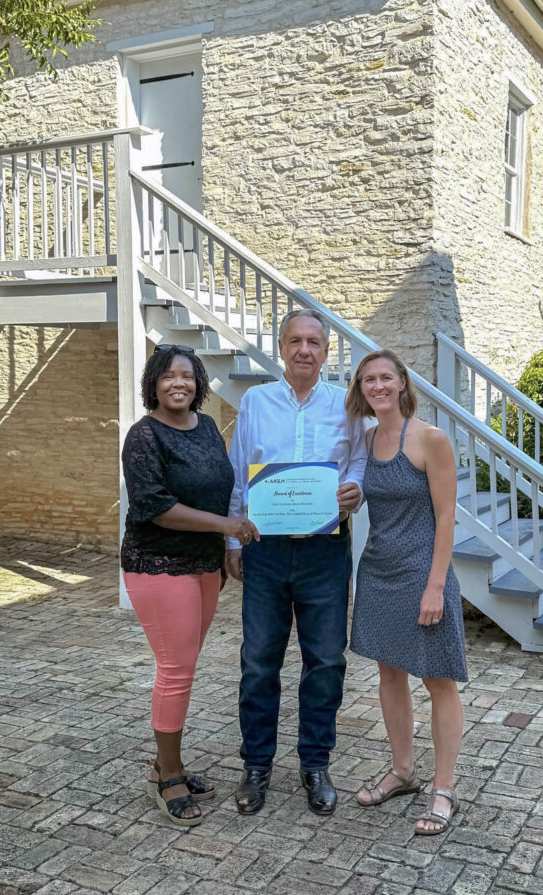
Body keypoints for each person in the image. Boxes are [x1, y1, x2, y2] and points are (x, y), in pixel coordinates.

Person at [226, 308, 367, 816]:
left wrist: (356, 489)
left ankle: (315, 764)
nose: (304, 349)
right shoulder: (256, 401)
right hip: (265, 549)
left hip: (324, 550)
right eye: (295, 341)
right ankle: (256, 765)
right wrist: (233, 541)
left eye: (314, 342)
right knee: (258, 661)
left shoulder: (346, 404)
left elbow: (359, 460)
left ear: (326, 352)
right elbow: (239, 471)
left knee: (326, 660)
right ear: (281, 347)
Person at [121, 344, 259, 827]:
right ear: (154, 384)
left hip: (204, 566)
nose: (178, 383)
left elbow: (222, 489)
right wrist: (226, 527)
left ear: (199, 382)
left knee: (184, 665)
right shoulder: (143, 436)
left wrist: (223, 549)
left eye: (187, 375)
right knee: (175, 670)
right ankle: (169, 777)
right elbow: (156, 507)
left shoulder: (206, 428)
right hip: (159, 564)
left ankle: (165, 762)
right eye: (168, 376)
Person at [345, 349, 467, 837]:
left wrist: (436, 586)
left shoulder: (430, 439)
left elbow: (446, 516)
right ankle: (403, 771)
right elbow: (356, 498)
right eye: (368, 379)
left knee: (439, 680)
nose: (377, 386)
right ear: (361, 388)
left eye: (385, 378)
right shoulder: (365, 440)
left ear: (401, 383)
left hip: (422, 574)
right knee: (389, 673)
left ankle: (444, 790)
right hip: (377, 571)